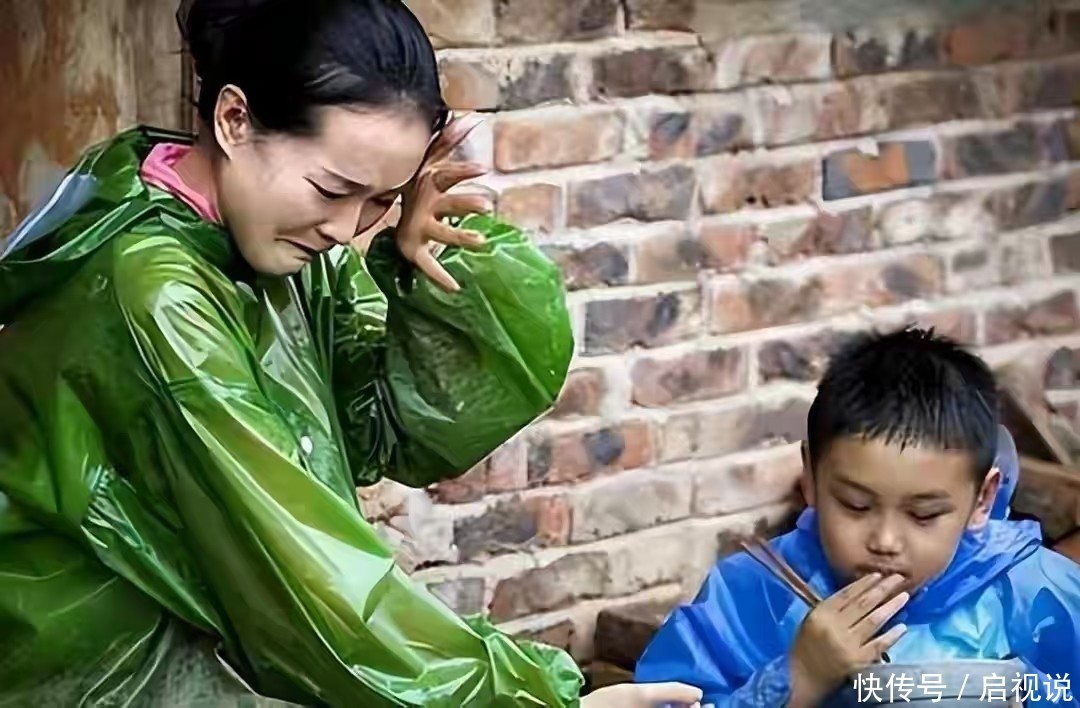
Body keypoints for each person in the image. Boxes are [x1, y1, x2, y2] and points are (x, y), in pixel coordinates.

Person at [0, 1, 704, 706]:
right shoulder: (155, 294)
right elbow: (298, 575)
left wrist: (434, 269)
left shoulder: (272, 248)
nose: (345, 228)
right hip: (98, 672)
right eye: (333, 189)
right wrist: (535, 700)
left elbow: (386, 429)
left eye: (379, 200)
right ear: (235, 120)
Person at [634, 327, 1080, 707]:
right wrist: (797, 678)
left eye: (923, 514)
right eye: (856, 505)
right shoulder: (750, 595)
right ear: (810, 478)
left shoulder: (1036, 595)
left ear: (983, 498)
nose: (885, 540)